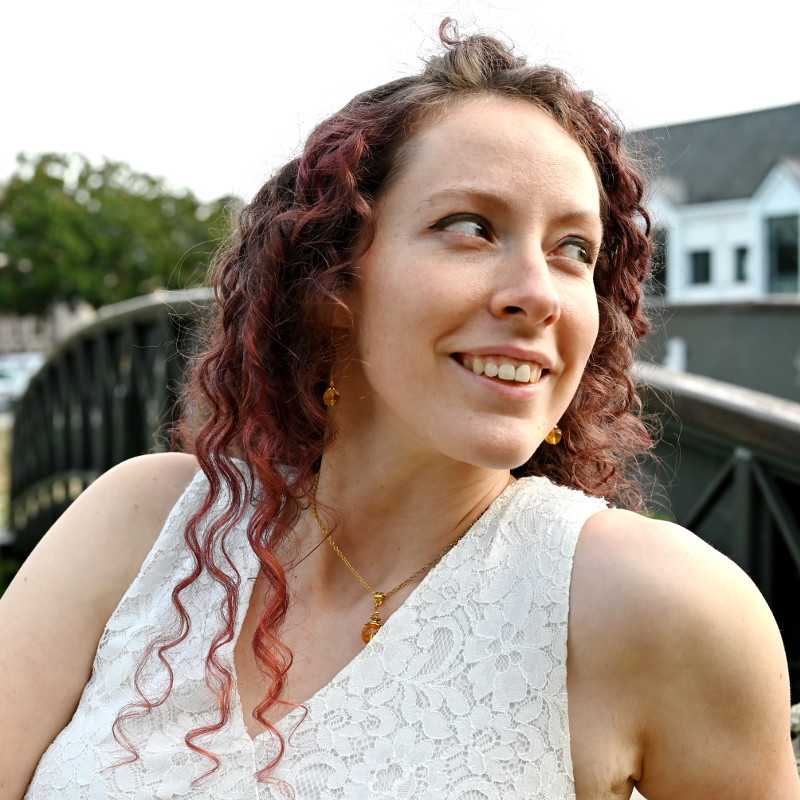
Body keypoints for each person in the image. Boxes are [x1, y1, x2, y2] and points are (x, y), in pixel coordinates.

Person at [1, 21, 798, 800]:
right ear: (332, 284)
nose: (538, 294)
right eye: (471, 227)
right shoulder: (143, 524)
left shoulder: (664, 610)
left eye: (573, 250)